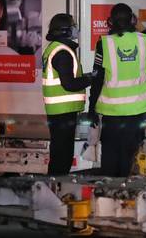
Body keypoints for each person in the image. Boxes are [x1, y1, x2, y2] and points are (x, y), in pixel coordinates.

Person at [88, 3, 146, 177]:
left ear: (110, 22)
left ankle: (109, 194)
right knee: (131, 157)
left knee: (110, 157)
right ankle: (129, 195)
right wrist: (140, 27)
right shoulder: (144, 40)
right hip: (137, 112)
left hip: (112, 113)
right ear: (132, 20)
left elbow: (97, 79)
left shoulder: (104, 44)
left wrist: (91, 109)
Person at [42, 13, 93, 175]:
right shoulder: (62, 52)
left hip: (59, 112)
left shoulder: (56, 48)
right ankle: (55, 188)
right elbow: (69, 84)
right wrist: (91, 78)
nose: (76, 29)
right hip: (63, 112)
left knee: (59, 154)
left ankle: (55, 187)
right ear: (65, 31)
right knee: (62, 157)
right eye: (73, 26)